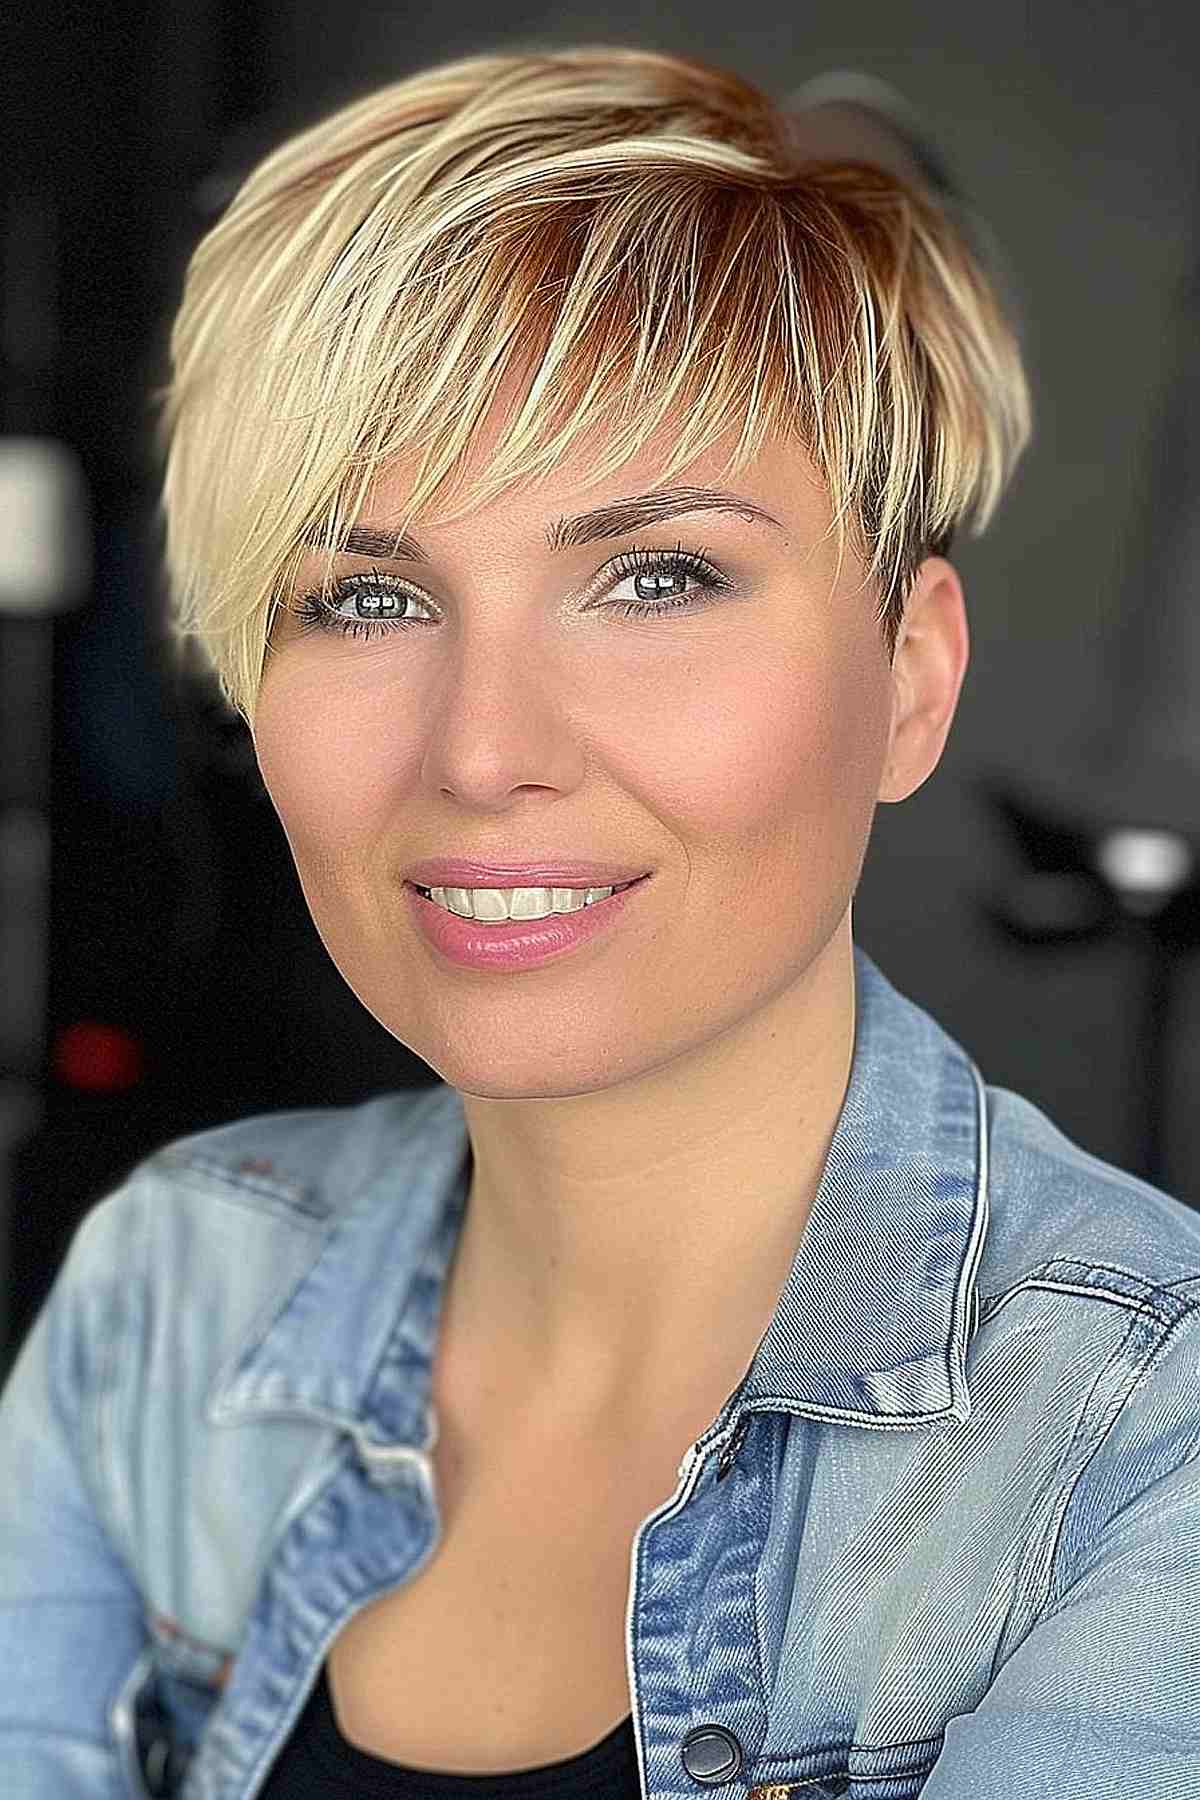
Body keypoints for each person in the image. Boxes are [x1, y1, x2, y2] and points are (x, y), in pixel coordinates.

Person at [2, 38, 1198, 1800]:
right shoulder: (171, 1293)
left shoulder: (1144, 1449)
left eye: (656, 577)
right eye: (366, 596)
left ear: (910, 683)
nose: (481, 751)